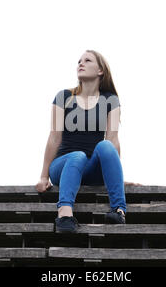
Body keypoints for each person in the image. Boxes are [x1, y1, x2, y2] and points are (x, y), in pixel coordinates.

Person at [36, 49, 140, 233]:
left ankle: (118, 210)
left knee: (105, 145)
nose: (80, 64)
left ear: (100, 70)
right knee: (77, 156)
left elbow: (113, 140)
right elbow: (54, 137)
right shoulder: (64, 97)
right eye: (79, 61)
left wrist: (116, 176)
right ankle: (65, 214)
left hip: (93, 169)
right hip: (64, 167)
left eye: (87, 60)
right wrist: (44, 176)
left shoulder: (111, 100)